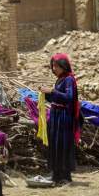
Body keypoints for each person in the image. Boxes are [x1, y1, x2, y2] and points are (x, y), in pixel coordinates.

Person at [39, 53, 81, 185]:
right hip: (56, 116)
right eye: (52, 66)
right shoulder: (60, 79)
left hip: (64, 117)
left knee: (62, 145)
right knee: (55, 144)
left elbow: (68, 97)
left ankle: (65, 176)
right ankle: (56, 175)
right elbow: (56, 98)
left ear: (63, 66)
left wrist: (52, 91)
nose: (53, 69)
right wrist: (45, 95)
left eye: (56, 66)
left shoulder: (69, 79)